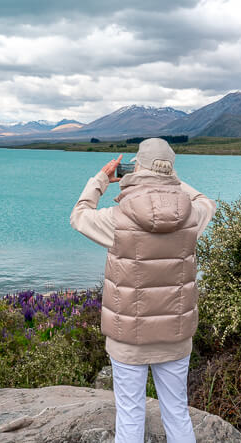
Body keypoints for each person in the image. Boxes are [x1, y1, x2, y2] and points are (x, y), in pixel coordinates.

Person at [70, 138, 215, 443]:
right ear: (171, 169)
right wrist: (170, 181)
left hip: (129, 339)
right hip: (175, 337)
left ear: (137, 167)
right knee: (177, 411)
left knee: (130, 413)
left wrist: (100, 180)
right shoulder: (191, 215)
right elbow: (206, 201)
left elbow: (79, 216)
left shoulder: (119, 218)